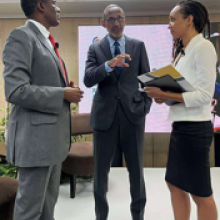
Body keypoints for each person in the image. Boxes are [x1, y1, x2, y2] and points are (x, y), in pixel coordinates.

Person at [2, 0, 83, 219]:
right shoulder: (21, 36)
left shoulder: (46, 40)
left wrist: (66, 89)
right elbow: (15, 91)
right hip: (35, 144)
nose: (58, 8)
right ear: (40, 5)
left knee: (48, 207)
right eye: (54, 2)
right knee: (29, 211)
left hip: (53, 143)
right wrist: (62, 94)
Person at [144, 1, 218, 220]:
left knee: (200, 192)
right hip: (181, 127)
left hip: (196, 129)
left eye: (173, 19)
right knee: (175, 183)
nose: (169, 25)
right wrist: (163, 96)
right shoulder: (182, 53)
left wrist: (166, 94)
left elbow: (205, 96)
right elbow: (183, 92)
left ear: (189, 20)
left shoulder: (204, 47)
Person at [84, 4, 152, 220]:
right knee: (100, 175)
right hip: (105, 119)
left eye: (119, 18)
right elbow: (88, 79)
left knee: (136, 173)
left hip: (133, 116)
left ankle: (138, 216)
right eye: (111, 19)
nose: (115, 23)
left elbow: (147, 81)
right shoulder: (95, 49)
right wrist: (109, 65)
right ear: (103, 23)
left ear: (125, 20)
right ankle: (101, 217)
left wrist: (144, 107)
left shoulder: (138, 46)